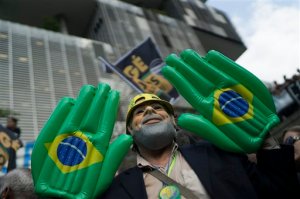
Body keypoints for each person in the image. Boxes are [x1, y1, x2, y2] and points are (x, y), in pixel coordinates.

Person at [100, 93, 300, 199]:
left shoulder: (217, 152)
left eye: (158, 107)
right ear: (130, 131)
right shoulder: (116, 189)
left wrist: (265, 139)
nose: (150, 110)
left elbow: (279, 190)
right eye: (139, 112)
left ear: (174, 122)